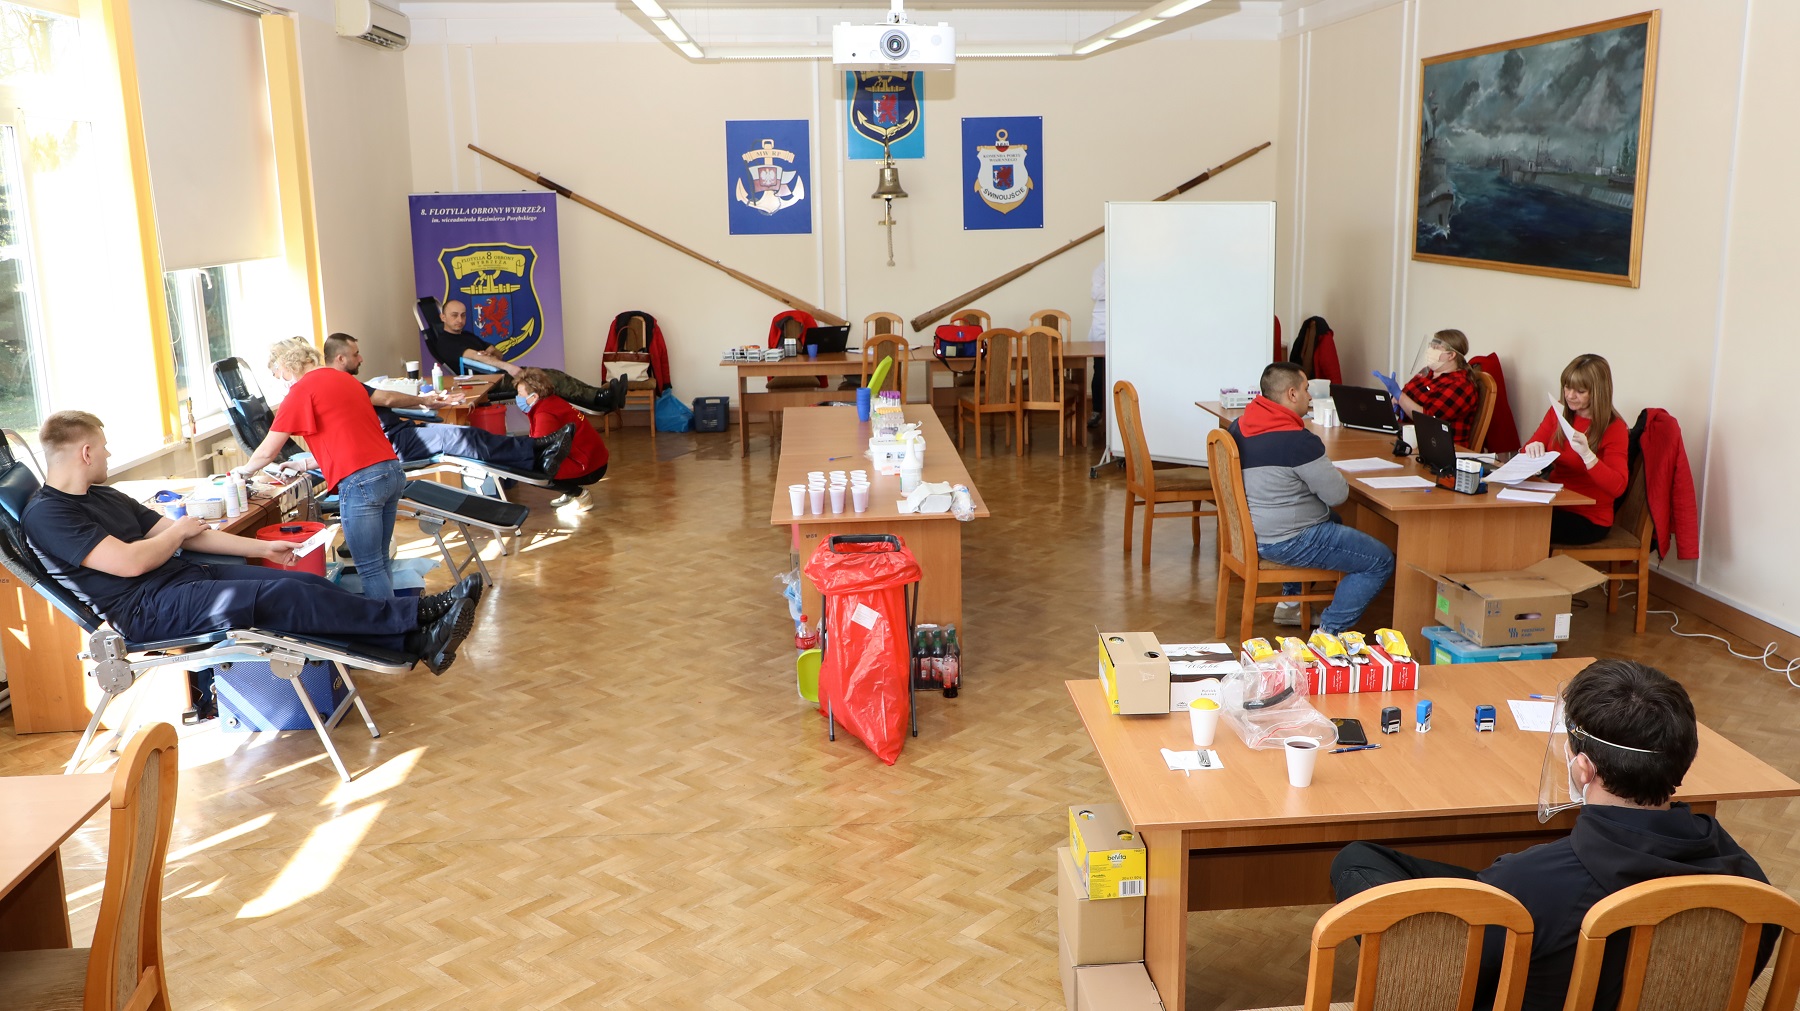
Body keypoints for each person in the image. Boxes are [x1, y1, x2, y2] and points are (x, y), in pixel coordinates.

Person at [1328, 659, 1775, 1011]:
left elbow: (1451, 980)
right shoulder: (1752, 887)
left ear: (1584, 768)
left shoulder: (1529, 884)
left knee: (1358, 862)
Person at [21, 411, 480, 674]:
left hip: (180, 581)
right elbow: (129, 563)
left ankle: (419, 638)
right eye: (103, 447)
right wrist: (179, 530)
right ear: (85, 452)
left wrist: (262, 550)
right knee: (282, 598)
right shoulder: (48, 514)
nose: (108, 454)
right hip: (146, 610)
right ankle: (420, 618)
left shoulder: (103, 495)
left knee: (306, 585)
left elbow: (189, 535)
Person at [1229, 362, 1394, 632]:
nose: (1310, 396)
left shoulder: (1240, 426)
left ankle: (1291, 604)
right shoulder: (1297, 440)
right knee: (1380, 560)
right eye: (1306, 389)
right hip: (1286, 540)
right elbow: (1337, 494)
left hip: (1252, 529)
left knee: (1334, 519)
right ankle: (1328, 633)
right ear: (1292, 394)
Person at [240, 338, 405, 599]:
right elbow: (349, 437)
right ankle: (397, 618)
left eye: (277, 375)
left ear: (286, 365)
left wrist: (241, 473)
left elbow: (267, 452)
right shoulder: (347, 380)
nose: (280, 382)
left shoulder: (301, 391)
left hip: (361, 480)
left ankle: (388, 624)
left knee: (369, 567)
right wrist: (304, 463)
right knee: (380, 560)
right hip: (391, 471)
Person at [322, 333, 576, 477]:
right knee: (466, 439)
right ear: (340, 358)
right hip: (396, 444)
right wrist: (426, 400)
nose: (361, 358)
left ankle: (538, 448)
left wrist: (428, 403)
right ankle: (537, 456)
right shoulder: (341, 385)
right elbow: (387, 399)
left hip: (402, 434)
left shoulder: (343, 382)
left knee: (470, 435)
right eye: (355, 354)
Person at [433, 299, 629, 413]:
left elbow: (497, 352)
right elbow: (474, 357)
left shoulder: (467, 335)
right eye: (454, 315)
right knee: (549, 380)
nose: (460, 319)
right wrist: (507, 366)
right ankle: (601, 398)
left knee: (553, 373)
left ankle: (602, 395)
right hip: (487, 382)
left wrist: (491, 353)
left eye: (463, 315)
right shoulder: (445, 342)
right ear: (443, 317)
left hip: (497, 374)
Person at [1523, 354, 1629, 546]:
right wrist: (1532, 450)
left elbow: (1618, 486)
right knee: (1506, 516)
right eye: (1567, 387)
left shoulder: (1614, 428)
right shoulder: (1559, 412)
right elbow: (1525, 453)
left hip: (1588, 517)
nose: (1570, 395)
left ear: (1597, 393)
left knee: (1520, 525)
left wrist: (1588, 456)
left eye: (1580, 391)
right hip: (1554, 502)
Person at [515, 367, 609, 512]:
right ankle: (570, 492)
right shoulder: (551, 401)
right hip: (594, 459)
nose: (518, 397)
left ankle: (580, 496)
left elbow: (538, 446)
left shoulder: (544, 414)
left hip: (589, 466)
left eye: (520, 394)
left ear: (534, 396)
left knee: (532, 470)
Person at [1397, 329, 1480, 446]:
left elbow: (1429, 420)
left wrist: (1400, 397)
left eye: (1436, 348)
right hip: (1411, 438)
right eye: (1431, 346)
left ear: (1451, 355)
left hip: (1440, 446)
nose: (1430, 351)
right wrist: (1395, 400)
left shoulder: (1461, 385)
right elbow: (1405, 395)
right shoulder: (1427, 372)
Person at [1088, 261, 1106, 430]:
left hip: (1126, 330)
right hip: (1102, 330)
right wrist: (1120, 286)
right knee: (1099, 372)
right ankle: (1097, 410)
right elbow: (1096, 293)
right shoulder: (1102, 268)